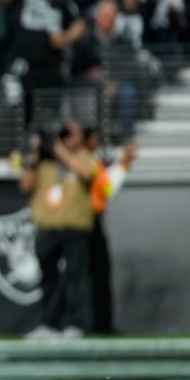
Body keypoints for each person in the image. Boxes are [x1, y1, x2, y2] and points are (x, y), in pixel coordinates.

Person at [19, 121, 98, 340]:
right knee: (48, 278)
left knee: (76, 276)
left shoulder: (85, 157)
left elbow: (88, 174)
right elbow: (24, 186)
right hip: (47, 227)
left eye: (72, 134)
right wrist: (34, 158)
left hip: (75, 227)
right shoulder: (44, 163)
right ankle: (49, 323)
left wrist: (61, 152)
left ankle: (77, 323)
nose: (68, 138)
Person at [85, 129, 138, 335]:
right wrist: (124, 163)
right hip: (86, 222)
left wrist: (124, 163)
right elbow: (105, 189)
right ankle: (92, 323)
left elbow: (104, 188)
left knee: (99, 275)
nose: (97, 142)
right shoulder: (84, 163)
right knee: (92, 276)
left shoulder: (91, 161)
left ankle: (100, 323)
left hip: (92, 222)